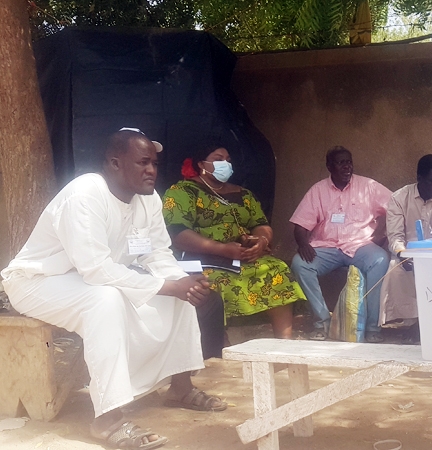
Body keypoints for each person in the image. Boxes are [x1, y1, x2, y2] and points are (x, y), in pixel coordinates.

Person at [1, 129, 226, 450]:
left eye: (154, 164)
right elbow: (96, 269)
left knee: (179, 293)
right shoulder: (85, 196)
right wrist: (167, 285)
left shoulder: (148, 199)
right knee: (105, 299)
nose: (151, 170)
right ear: (115, 164)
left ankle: (180, 387)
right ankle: (108, 418)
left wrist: (182, 283)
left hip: (84, 280)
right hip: (37, 282)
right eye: (143, 162)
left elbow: (157, 253)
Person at [162, 144, 305, 344]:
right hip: (202, 260)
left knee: (277, 270)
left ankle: (284, 343)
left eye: (228, 160)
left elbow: (261, 225)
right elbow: (178, 234)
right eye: (219, 158)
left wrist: (260, 241)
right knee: (213, 282)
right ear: (202, 164)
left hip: (242, 257)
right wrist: (222, 249)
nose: (226, 164)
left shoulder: (244, 194)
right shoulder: (182, 192)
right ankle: (218, 342)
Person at [290, 146, 392, 342]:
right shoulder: (318, 191)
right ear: (329, 166)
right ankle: (322, 323)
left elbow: (396, 206)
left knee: (380, 259)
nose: (347, 167)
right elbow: (300, 225)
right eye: (341, 163)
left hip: (360, 246)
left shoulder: (368, 186)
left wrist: (384, 235)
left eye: (349, 162)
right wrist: (302, 243)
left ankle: (372, 329)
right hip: (327, 247)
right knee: (300, 264)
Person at [380, 154, 432, 343]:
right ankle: (413, 322)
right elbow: (395, 236)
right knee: (395, 272)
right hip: (408, 255)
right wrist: (403, 254)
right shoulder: (400, 198)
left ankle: (430, 325)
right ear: (419, 179)